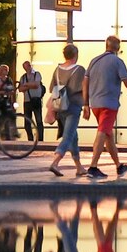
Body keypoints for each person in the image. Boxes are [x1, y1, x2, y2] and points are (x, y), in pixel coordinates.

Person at [84, 36, 127, 180]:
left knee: (108, 135)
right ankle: (93, 167)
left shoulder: (94, 61)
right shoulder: (117, 62)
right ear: (118, 48)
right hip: (109, 105)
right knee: (102, 133)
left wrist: (85, 103)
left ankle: (119, 166)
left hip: (95, 104)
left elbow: (85, 82)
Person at [46, 44, 88, 178]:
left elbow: (52, 87)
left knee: (73, 136)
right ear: (75, 55)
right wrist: (87, 105)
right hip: (74, 106)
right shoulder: (80, 70)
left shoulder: (57, 69)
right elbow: (84, 88)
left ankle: (79, 167)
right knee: (68, 136)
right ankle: (55, 162)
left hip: (60, 105)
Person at [18, 60, 45, 142]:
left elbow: (36, 85)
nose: (28, 67)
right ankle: (30, 140)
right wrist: (30, 85)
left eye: (29, 65)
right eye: (26, 66)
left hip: (36, 100)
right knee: (27, 122)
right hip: (27, 101)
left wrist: (26, 85)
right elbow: (20, 89)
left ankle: (40, 140)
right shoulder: (23, 77)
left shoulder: (37, 74)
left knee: (39, 121)